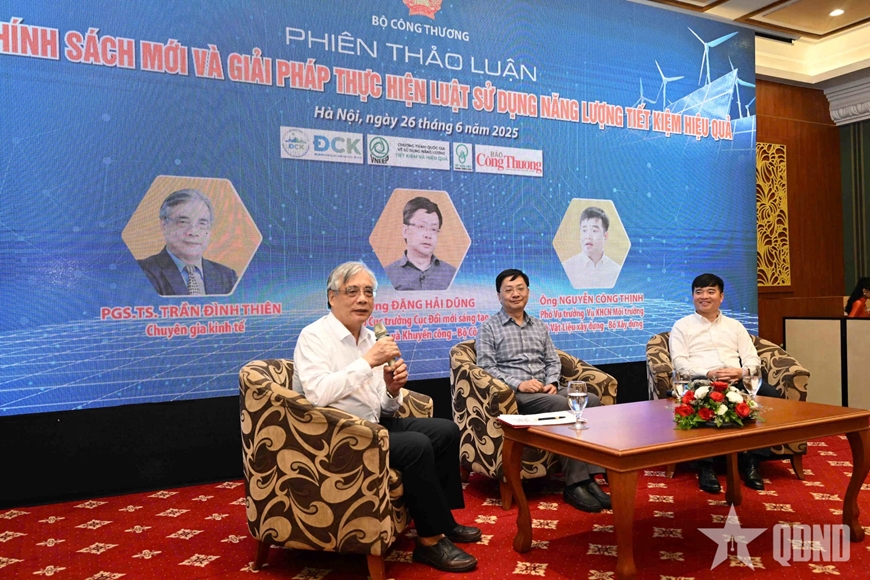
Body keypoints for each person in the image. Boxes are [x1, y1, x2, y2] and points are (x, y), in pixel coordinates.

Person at [292, 262, 480, 573]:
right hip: (336, 435)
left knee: (446, 431)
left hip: (373, 425)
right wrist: (367, 363)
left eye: (368, 292)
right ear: (331, 297)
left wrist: (392, 390)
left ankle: (443, 521)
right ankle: (429, 541)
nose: (362, 299)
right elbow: (317, 394)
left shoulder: (370, 338)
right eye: (352, 291)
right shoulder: (314, 336)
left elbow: (383, 408)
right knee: (416, 445)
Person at [477, 268, 612, 513]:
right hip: (517, 396)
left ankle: (591, 478)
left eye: (520, 289)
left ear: (528, 292)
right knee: (564, 406)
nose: (515, 294)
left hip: (546, 391)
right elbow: (486, 367)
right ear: (499, 295)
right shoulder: (489, 328)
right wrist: (519, 384)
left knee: (590, 400)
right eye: (509, 290)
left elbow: (552, 360)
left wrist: (552, 382)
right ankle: (575, 484)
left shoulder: (539, 325)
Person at [670, 273, 784, 493]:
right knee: (700, 403)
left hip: (736, 380)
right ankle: (706, 466)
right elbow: (680, 362)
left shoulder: (735, 326)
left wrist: (741, 372)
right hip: (701, 380)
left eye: (710, 292)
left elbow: (752, 358)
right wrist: (708, 372)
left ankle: (752, 461)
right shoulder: (682, 326)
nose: (704, 296)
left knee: (771, 396)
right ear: (693, 296)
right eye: (699, 292)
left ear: (721, 296)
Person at [138, 189, 238, 296]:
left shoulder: (227, 276)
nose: (193, 232)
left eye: (202, 223)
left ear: (210, 229)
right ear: (164, 226)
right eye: (183, 222)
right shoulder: (140, 271)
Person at [384, 196, 457, 291]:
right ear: (405, 231)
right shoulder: (387, 274)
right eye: (421, 226)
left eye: (433, 229)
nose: (428, 235)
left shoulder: (452, 274)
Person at [563, 206, 621, 289]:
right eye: (584, 230)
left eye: (594, 231)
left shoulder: (616, 269)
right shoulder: (567, 267)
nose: (588, 236)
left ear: (605, 236)